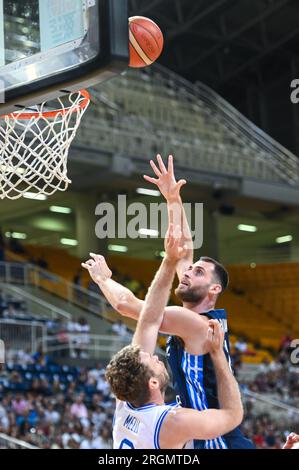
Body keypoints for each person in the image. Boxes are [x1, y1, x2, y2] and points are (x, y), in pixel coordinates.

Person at [84, 155, 253, 449]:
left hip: (217, 439)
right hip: (209, 432)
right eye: (188, 270)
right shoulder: (199, 315)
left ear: (214, 289)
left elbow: (129, 306)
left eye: (197, 272)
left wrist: (103, 279)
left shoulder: (194, 323)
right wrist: (173, 199)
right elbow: (185, 253)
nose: (187, 273)